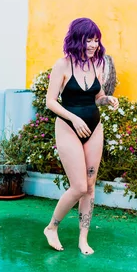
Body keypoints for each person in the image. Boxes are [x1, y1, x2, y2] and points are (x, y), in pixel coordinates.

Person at [43, 17, 119, 255]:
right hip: (68, 127)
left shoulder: (98, 65)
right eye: (89, 39)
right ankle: (52, 227)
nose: (93, 44)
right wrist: (74, 119)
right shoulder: (62, 65)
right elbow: (50, 102)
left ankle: (83, 239)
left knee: (90, 186)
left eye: (96, 40)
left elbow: (97, 96)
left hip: (94, 128)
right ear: (77, 39)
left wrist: (107, 100)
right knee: (78, 186)